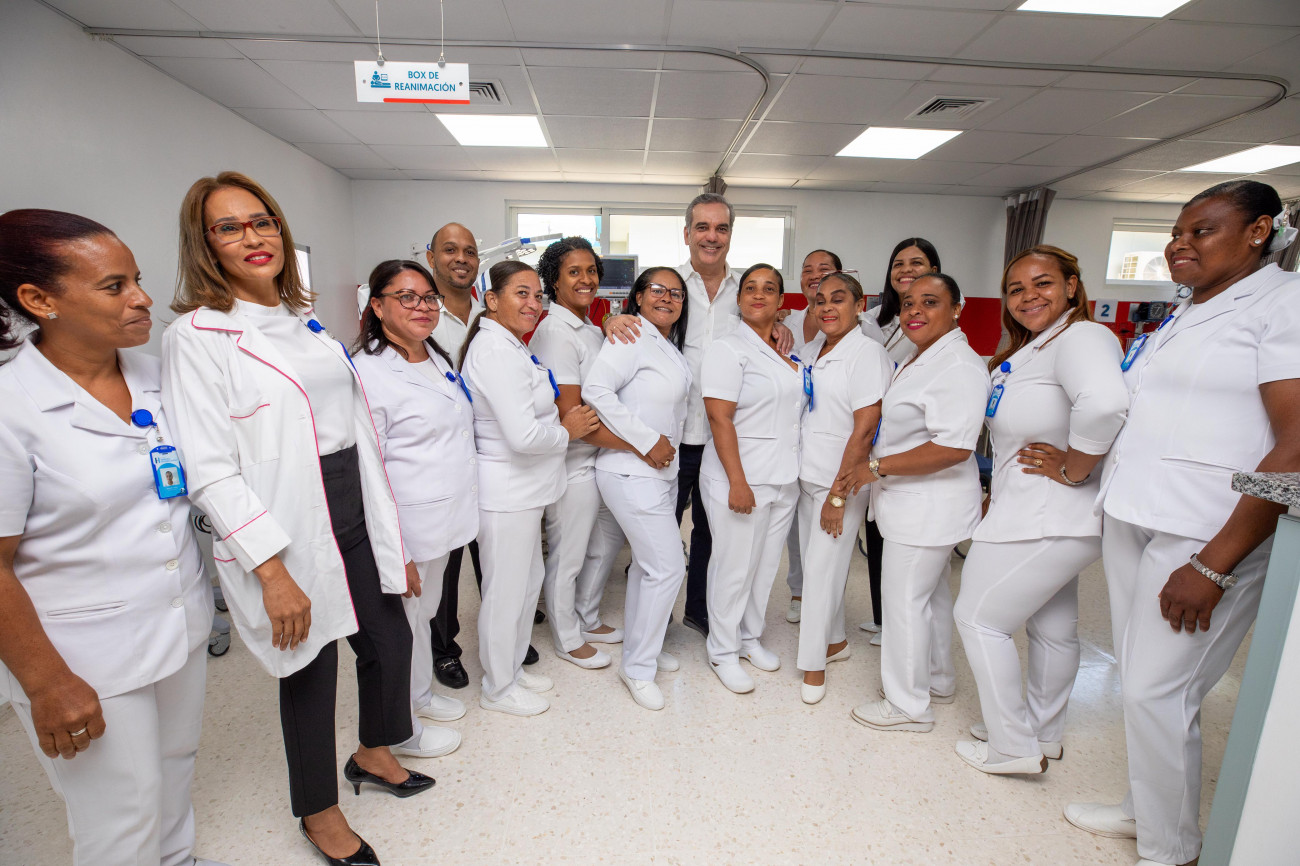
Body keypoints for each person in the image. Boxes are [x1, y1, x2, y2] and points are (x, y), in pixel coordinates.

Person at [162, 172, 429, 866]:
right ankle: (319, 811)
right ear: (205, 244)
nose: (252, 236)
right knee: (309, 668)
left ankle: (373, 752)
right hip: (284, 521)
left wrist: (391, 541)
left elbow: (356, 434)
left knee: (389, 638)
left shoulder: (304, 324)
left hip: (351, 502)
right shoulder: (197, 336)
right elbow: (209, 467)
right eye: (229, 227)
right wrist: (272, 571)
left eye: (263, 221)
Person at [1065, 180, 1300, 866]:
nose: (1179, 244)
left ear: (1259, 231)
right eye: (1175, 233)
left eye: (1201, 230)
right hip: (1136, 512)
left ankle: (1172, 849)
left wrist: (1214, 563)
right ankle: (1146, 811)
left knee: (1158, 689)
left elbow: (1294, 443)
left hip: (1206, 532)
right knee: (1144, 684)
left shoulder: (1284, 304)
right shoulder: (1187, 311)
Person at [0, 210, 224, 866]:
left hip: (178, 622)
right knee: (120, 813)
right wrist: (45, 682)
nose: (142, 298)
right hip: (82, 653)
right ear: (39, 300)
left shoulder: (155, 374)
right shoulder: (11, 407)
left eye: (138, 279)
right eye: (114, 286)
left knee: (174, 767)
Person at [952, 246, 1129, 775]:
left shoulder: (1082, 337)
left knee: (978, 618)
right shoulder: (1035, 348)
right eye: (1016, 289)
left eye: (1043, 283)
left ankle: (1011, 745)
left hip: (1049, 513)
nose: (1028, 296)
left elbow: (1105, 403)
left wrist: (1075, 467)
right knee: (1052, 627)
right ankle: (1042, 732)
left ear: (1072, 286)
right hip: (1041, 512)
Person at [603, 193, 792, 639]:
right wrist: (611, 321)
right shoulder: (670, 287)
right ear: (687, 233)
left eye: (721, 228)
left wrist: (778, 326)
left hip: (723, 439)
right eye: (702, 227)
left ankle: (701, 613)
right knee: (660, 535)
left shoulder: (746, 292)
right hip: (668, 437)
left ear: (730, 235)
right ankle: (654, 623)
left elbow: (763, 334)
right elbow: (636, 327)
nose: (711, 237)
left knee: (714, 533)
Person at [845, 273, 989, 733]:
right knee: (931, 598)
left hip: (928, 506)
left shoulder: (958, 365)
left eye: (930, 302)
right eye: (909, 303)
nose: (915, 312)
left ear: (957, 308)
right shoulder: (923, 355)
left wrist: (875, 467)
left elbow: (954, 447)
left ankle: (908, 705)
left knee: (904, 602)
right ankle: (938, 678)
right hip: (922, 504)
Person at [460, 261, 600, 717]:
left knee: (526, 585)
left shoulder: (512, 346)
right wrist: (567, 431)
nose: (533, 303)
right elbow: (523, 436)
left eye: (538, 295)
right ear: (492, 299)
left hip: (528, 491)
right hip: (506, 494)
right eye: (521, 293)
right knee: (505, 592)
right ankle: (498, 687)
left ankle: (513, 668)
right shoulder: (495, 351)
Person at [351, 260, 476, 760]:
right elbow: (369, 468)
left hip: (444, 518)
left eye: (428, 297)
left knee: (422, 615)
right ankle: (400, 731)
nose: (422, 306)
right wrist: (394, 549)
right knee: (398, 629)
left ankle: (420, 696)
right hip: (406, 524)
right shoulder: (367, 371)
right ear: (377, 307)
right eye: (406, 297)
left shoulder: (435, 357)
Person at [584, 268, 693, 711]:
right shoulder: (628, 335)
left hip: (660, 474)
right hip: (630, 471)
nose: (667, 298)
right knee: (668, 568)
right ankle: (637, 668)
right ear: (640, 297)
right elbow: (595, 390)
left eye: (676, 293)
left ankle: (643, 646)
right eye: (657, 290)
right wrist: (646, 441)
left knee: (650, 568)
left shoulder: (665, 344)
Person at [700, 264, 803, 694]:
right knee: (734, 567)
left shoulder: (785, 351)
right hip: (740, 478)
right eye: (751, 288)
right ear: (739, 298)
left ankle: (748, 637)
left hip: (782, 477)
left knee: (763, 568)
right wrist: (738, 482)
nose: (759, 295)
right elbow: (719, 418)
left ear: (781, 302)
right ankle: (722, 650)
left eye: (769, 289)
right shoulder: (727, 348)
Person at [792, 271, 891, 705]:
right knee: (818, 567)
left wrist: (837, 494)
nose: (827, 307)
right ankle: (834, 642)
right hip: (808, 475)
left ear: (858, 304)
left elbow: (866, 427)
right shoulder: (814, 349)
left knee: (820, 573)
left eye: (838, 299)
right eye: (820, 301)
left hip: (842, 481)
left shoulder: (866, 353)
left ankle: (813, 664)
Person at [529, 237, 627, 669]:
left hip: (597, 457)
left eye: (591, 271)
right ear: (554, 280)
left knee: (602, 544)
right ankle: (567, 637)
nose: (585, 279)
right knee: (568, 554)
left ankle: (586, 616)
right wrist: (638, 445)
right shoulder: (555, 333)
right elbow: (572, 413)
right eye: (574, 272)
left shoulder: (588, 327)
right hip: (571, 462)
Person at [857, 238, 944, 643]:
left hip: (911, 450)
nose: (906, 270)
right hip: (876, 442)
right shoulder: (876, 319)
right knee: (877, 535)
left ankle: (897, 629)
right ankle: (881, 618)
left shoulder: (937, 326)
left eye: (917, 263)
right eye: (899, 264)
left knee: (909, 564)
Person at [423, 222, 487, 691]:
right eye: (450, 250)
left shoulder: (490, 314)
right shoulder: (421, 313)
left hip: (490, 453)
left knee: (493, 553)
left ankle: (503, 632)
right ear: (431, 258)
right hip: (441, 457)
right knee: (445, 565)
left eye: (469, 251)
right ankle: (444, 650)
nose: (461, 258)